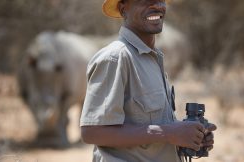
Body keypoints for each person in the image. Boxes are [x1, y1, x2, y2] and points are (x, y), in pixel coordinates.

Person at [79, 0, 217, 161]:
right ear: (123, 9)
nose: (156, 5)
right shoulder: (115, 58)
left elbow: (149, 132)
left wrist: (189, 136)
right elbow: (92, 132)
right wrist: (169, 133)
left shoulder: (152, 58)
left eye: (160, 0)